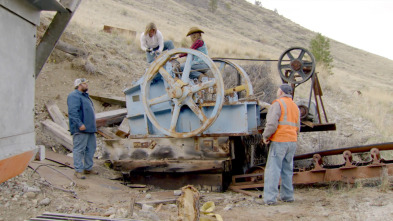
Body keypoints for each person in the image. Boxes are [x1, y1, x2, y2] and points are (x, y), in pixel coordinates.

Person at [262, 84, 300, 205]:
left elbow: (272, 124)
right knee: (287, 170)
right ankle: (288, 196)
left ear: (281, 92)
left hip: (280, 141)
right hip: (292, 141)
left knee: (273, 170)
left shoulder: (277, 104)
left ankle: (270, 199)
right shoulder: (295, 106)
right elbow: (298, 127)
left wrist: (266, 136)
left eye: (278, 89)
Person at [67, 78, 98, 179]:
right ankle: (78, 170)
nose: (87, 85)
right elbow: (72, 112)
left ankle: (88, 168)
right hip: (81, 129)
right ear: (79, 85)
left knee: (91, 148)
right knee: (79, 149)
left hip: (90, 129)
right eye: (85, 83)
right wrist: (79, 124)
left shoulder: (85, 97)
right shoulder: (74, 96)